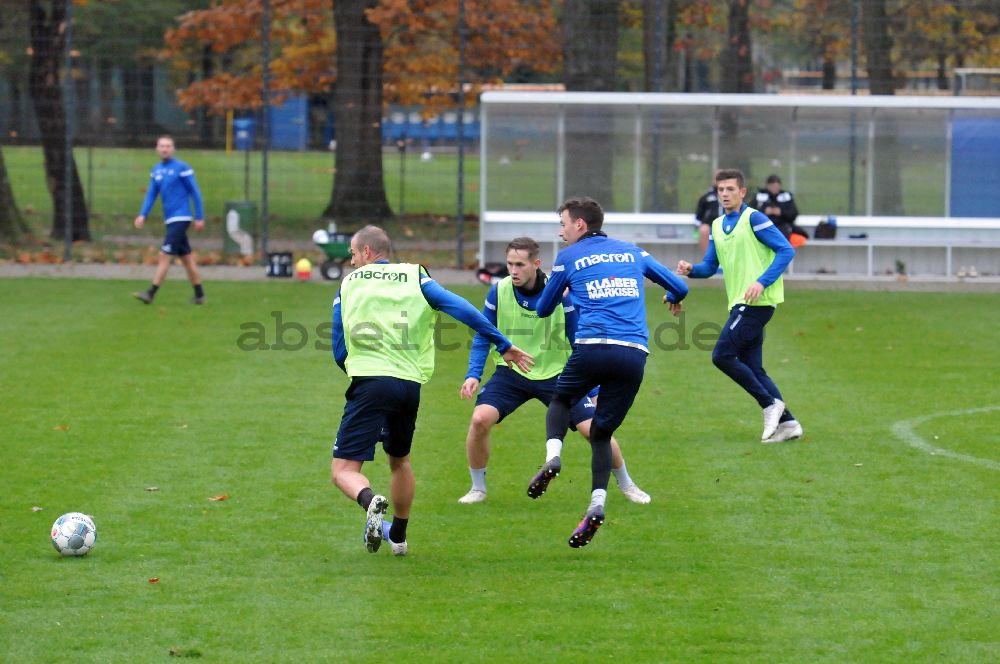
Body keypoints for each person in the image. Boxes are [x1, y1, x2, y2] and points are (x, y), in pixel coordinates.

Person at [330, 225, 532, 556]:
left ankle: (370, 501)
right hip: (408, 386)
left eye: (353, 254)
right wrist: (502, 342)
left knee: (343, 471)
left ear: (367, 251)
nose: (351, 262)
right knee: (400, 460)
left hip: (370, 383)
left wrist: (354, 374)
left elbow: (339, 346)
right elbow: (461, 308)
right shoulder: (416, 277)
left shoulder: (349, 283)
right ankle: (398, 535)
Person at [533, 197, 689, 548]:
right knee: (601, 434)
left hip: (592, 347)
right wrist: (671, 298)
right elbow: (680, 286)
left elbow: (543, 309)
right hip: (633, 354)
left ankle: (553, 457)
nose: (560, 231)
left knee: (561, 400)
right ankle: (597, 504)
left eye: (563, 224)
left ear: (580, 225)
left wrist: (565, 286)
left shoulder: (568, 257)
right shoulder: (634, 252)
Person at [458, 237, 651, 506]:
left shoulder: (560, 291)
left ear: (536, 264)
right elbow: (483, 333)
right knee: (480, 420)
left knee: (594, 430)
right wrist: (473, 374)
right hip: (512, 372)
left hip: (558, 374)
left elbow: (579, 339)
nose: (513, 270)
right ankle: (478, 488)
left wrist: (593, 389)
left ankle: (627, 484)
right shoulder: (498, 291)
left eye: (520, 265)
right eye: (510, 264)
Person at [677, 168, 803, 444]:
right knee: (753, 367)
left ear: (742, 192)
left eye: (730, 189)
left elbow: (786, 250)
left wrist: (761, 282)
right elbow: (710, 266)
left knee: (722, 355)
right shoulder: (717, 225)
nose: (725, 194)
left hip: (758, 302)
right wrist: (691, 270)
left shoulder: (754, 218)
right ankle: (789, 423)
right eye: (721, 190)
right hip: (740, 303)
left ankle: (769, 405)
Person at [132, 135, 207, 305]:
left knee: (164, 254)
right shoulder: (156, 170)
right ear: (157, 149)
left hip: (181, 217)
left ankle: (150, 293)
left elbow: (195, 192)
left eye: (168, 146)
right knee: (186, 258)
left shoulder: (182, 168)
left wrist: (199, 216)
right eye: (161, 146)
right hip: (170, 219)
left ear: (173, 149)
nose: (164, 149)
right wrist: (143, 214)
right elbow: (151, 194)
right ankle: (200, 295)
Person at [754, 174, 806, 242]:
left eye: (776, 187)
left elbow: (793, 214)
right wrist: (764, 212)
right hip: (763, 226)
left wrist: (781, 212)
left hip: (782, 226)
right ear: (767, 186)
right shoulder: (759, 197)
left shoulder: (786, 197)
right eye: (772, 186)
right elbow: (750, 213)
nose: (774, 189)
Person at [695, 182, 724, 256]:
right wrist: (696, 229)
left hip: (727, 224)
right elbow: (698, 217)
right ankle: (708, 258)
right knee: (703, 230)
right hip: (710, 226)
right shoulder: (706, 196)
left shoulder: (733, 196)